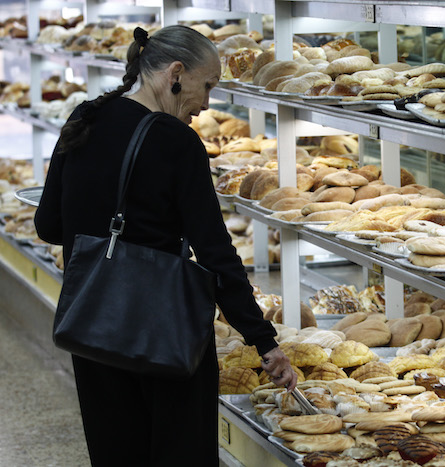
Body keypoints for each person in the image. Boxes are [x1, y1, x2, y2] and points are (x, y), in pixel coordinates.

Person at [34, 25, 296, 466]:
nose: (207, 103)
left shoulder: (85, 117)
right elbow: (215, 254)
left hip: (94, 323)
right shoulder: (176, 141)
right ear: (176, 73)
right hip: (164, 331)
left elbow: (48, 226)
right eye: (207, 85)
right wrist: (263, 340)